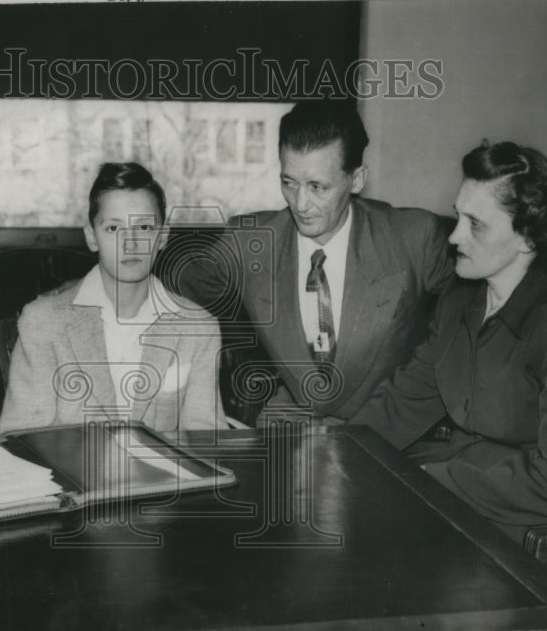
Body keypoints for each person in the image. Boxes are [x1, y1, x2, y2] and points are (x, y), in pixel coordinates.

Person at [357, 141, 547, 540]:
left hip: (540, 533)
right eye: (458, 217)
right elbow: (406, 398)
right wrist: (341, 452)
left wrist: (431, 482)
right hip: (471, 497)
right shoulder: (460, 299)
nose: (454, 236)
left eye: (476, 224)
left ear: (527, 238)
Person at [174, 99, 454, 424]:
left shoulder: (413, 238)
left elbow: (468, 323)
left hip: (388, 434)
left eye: (317, 187)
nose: (300, 204)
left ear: (357, 179)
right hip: (291, 436)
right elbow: (181, 292)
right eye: (288, 183)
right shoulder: (249, 243)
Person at [0, 162, 225, 440]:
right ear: (92, 237)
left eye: (143, 227)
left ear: (163, 237)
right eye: (114, 229)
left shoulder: (198, 327)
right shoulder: (43, 321)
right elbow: (20, 440)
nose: (131, 244)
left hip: (165, 481)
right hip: (72, 479)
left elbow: (207, 440)